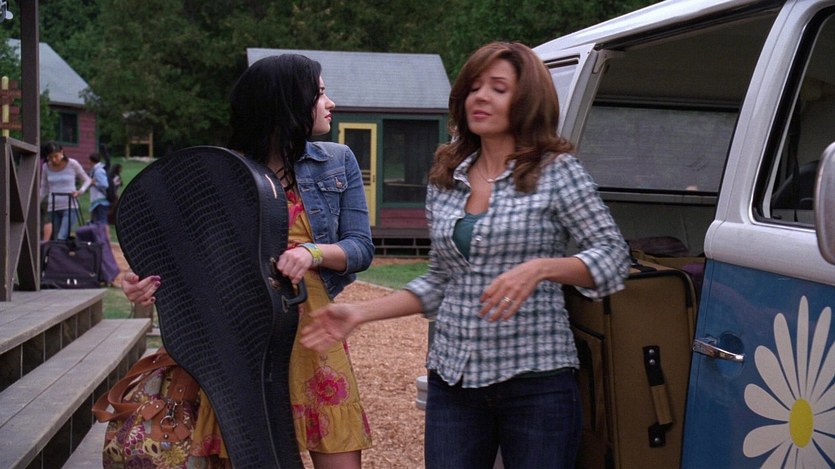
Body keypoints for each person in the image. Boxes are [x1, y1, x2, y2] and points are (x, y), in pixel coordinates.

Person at [300, 41, 631, 469]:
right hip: (453, 382)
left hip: (537, 383)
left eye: (498, 88)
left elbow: (613, 256)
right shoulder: (446, 175)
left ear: (528, 100)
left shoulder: (556, 171)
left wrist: (542, 268)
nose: (481, 97)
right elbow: (440, 281)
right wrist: (360, 313)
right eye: (474, 87)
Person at [123, 54, 374, 469]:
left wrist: (311, 252)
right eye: (320, 94)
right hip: (240, 342)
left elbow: (360, 248)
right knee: (251, 454)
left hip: (314, 335)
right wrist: (141, 283)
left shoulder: (336, 161)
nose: (330, 103)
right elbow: (184, 258)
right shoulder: (218, 172)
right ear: (286, 103)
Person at [39, 142, 92, 240]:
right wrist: (36, 202)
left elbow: (87, 180)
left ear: (61, 152)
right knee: (55, 237)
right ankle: (60, 250)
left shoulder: (72, 164)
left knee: (61, 236)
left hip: (70, 205)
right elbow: (44, 188)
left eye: (56, 156)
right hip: (53, 207)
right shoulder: (46, 167)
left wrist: (79, 191)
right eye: (50, 157)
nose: (54, 160)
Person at [87, 152, 110, 226]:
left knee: (102, 221)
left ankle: (103, 233)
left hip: (100, 200)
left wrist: (94, 183)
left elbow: (105, 184)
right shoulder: (96, 169)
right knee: (96, 221)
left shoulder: (98, 171)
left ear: (91, 160)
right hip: (97, 200)